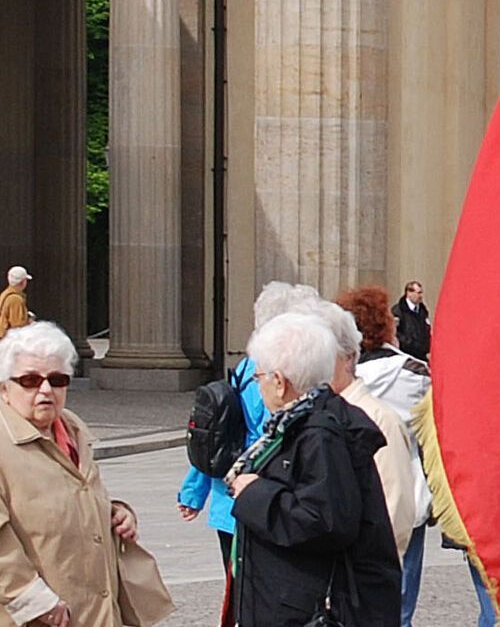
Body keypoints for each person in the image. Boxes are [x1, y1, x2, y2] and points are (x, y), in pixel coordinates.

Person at [229, 312, 401, 626]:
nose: (258, 386)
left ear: (280, 382)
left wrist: (254, 494)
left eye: (259, 377)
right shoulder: (302, 424)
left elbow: (325, 521)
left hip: (312, 611)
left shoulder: (319, 433)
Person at [0, 321, 173, 627]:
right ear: (4, 388)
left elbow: (73, 495)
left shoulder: (72, 429)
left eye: (57, 380)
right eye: (29, 380)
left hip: (97, 611)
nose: (45, 390)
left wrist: (116, 513)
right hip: (39, 616)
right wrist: (33, 599)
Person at [177, 281, 306, 567]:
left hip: (227, 502)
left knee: (237, 595)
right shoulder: (279, 377)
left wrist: (192, 492)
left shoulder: (245, 368)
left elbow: (218, 432)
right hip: (263, 503)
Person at [338, 285, 434, 627]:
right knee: (400, 603)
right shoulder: (414, 374)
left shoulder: (338, 378)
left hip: (349, 495)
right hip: (405, 491)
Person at [298, 297, 417, 558]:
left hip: (358, 574)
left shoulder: (378, 418)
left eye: (324, 357)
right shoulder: (310, 412)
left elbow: (394, 510)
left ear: (349, 358)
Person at [393, 280, 431, 362]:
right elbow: (395, 333)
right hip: (407, 355)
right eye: (418, 293)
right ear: (409, 293)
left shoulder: (422, 311)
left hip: (422, 355)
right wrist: (410, 344)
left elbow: (427, 329)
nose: (420, 296)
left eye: (421, 293)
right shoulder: (398, 311)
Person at [0, 265, 32, 340]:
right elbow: (17, 326)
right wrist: (28, 323)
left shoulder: (5, 294)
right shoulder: (16, 299)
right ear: (22, 282)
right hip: (8, 341)